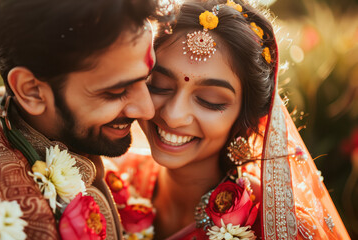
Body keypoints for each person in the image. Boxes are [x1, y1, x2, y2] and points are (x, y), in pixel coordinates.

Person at [106, 0, 351, 239]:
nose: (173, 115)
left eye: (209, 100)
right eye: (159, 86)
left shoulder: (275, 226)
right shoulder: (110, 182)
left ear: (247, 116)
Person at [0, 0, 158, 239]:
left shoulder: (81, 142)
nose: (147, 110)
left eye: (148, 80)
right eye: (115, 92)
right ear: (31, 91)